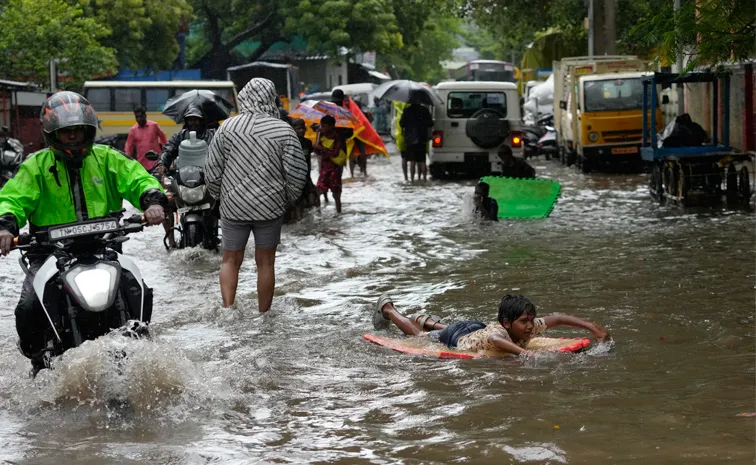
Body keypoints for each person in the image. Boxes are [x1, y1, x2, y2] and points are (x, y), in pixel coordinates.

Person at [0, 91, 167, 373]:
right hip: (49, 254)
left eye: (79, 132)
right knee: (28, 306)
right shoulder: (35, 166)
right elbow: (13, 198)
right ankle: (38, 359)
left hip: (104, 247)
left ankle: (139, 339)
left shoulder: (107, 158)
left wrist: (152, 200)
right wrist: (6, 225)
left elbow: (137, 178)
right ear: (53, 134)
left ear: (89, 131)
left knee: (138, 287)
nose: (74, 138)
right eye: (67, 133)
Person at [206, 78, 308, 311]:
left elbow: (212, 169)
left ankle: (228, 309)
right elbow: (297, 172)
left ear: (244, 97)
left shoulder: (227, 128)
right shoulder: (283, 130)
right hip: (270, 207)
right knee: (265, 263)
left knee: (230, 260)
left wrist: (220, 196)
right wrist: (288, 199)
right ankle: (264, 314)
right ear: (271, 98)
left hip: (233, 206)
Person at [372, 294, 611, 356]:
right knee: (419, 337)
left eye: (530, 321)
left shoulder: (527, 325)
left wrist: (592, 327)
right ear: (507, 323)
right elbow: (497, 341)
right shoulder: (499, 332)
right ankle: (388, 309)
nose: (529, 327)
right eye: (523, 322)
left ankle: (429, 321)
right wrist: (524, 354)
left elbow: (558, 318)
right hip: (459, 338)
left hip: (475, 327)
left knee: (449, 328)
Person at [155, 104, 216, 249]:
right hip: (182, 180)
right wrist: (162, 164)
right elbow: (168, 150)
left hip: (207, 180)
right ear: (186, 121)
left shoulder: (212, 135)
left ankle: (227, 240)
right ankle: (171, 240)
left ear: (202, 120)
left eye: (196, 119)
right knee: (165, 203)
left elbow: (221, 153)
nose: (193, 122)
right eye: (190, 119)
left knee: (224, 203)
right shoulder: (179, 136)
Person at [314, 115, 346, 214]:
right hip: (324, 169)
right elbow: (316, 151)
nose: (321, 128)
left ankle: (338, 213)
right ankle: (319, 214)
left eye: (323, 126)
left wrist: (321, 147)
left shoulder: (336, 137)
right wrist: (317, 138)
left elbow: (334, 153)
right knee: (318, 190)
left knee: (336, 194)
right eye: (321, 126)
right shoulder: (321, 136)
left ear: (331, 126)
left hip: (334, 169)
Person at [331, 89, 367, 178]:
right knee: (338, 169)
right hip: (338, 144)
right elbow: (349, 132)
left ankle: (357, 173)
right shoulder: (344, 113)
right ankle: (352, 175)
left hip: (336, 144)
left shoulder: (329, 111)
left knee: (335, 169)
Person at [400, 91, 434, 182]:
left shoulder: (407, 110)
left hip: (410, 138)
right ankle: (424, 179)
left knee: (412, 160)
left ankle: (411, 180)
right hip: (422, 138)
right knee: (422, 160)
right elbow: (431, 124)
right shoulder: (424, 110)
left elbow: (401, 124)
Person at [124, 106, 167, 177]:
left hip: (155, 163)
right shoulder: (133, 130)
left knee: (156, 184)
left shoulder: (154, 126)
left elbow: (163, 138)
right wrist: (127, 161)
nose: (139, 119)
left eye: (141, 116)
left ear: (145, 116)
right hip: (142, 165)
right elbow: (129, 147)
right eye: (137, 117)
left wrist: (165, 153)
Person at [291, 118, 318, 219]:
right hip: (295, 178)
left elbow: (313, 151)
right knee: (298, 203)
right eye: (298, 128)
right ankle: (299, 222)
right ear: (293, 129)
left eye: (303, 128)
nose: (301, 130)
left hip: (307, 177)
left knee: (312, 200)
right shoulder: (291, 143)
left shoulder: (307, 142)